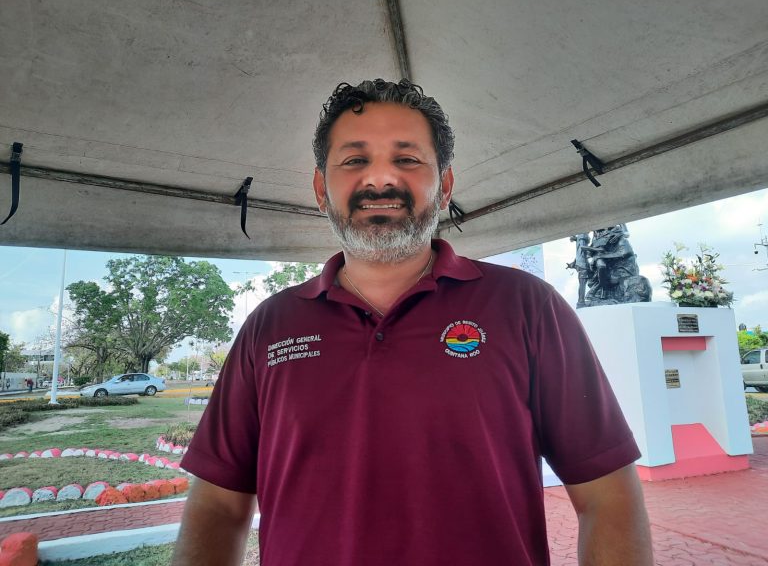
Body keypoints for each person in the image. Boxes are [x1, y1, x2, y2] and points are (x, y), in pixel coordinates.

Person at [173, 79, 653, 565]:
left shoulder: (528, 306)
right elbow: (218, 505)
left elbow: (606, 495)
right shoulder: (269, 326)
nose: (381, 179)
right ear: (321, 189)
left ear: (445, 186)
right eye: (354, 160)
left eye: (406, 159)